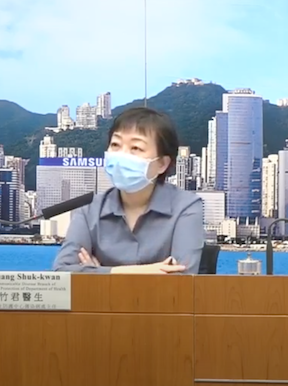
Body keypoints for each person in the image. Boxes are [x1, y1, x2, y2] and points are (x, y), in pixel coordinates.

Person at [53, 107, 205, 274]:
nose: (122, 155)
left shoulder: (186, 206)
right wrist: (135, 272)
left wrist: (97, 273)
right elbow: (62, 273)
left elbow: (182, 277)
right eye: (115, 145)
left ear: (162, 164)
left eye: (136, 148)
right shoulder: (89, 208)